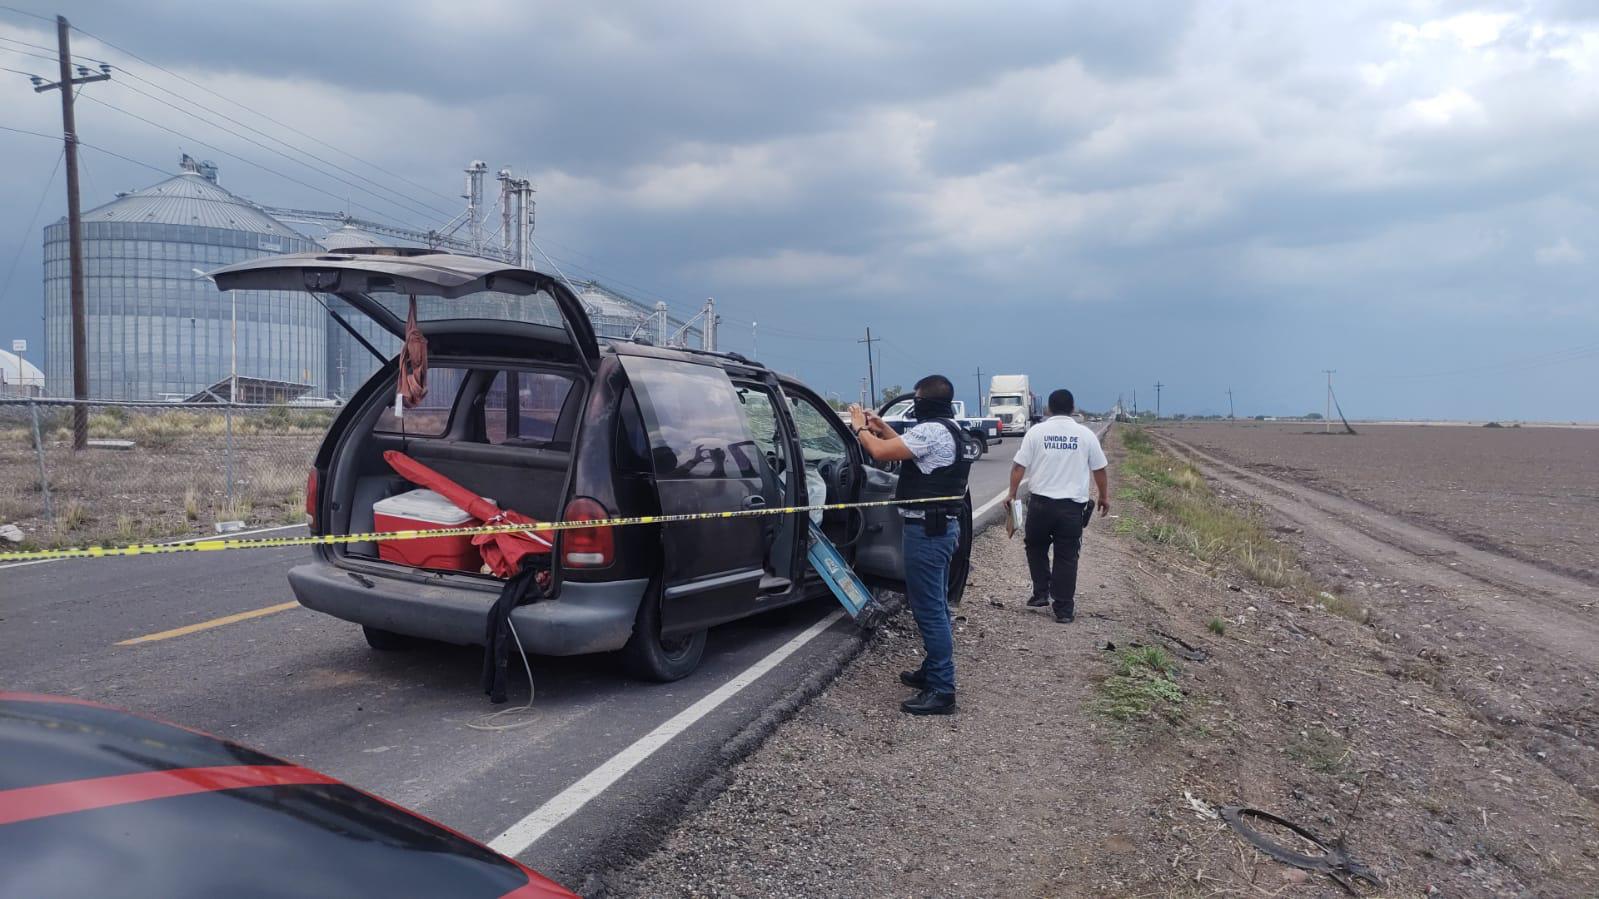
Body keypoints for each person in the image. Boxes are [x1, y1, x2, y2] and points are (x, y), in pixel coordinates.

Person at [849, 374, 972, 716]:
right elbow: (906, 448)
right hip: (941, 529)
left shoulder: (931, 431)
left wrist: (860, 427)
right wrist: (882, 426)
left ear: (925, 402)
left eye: (916, 400)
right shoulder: (950, 429)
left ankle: (942, 689)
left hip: (926, 532)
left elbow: (878, 451)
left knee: (929, 608)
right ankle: (932, 671)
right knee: (934, 606)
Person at [1007, 389, 1109, 623]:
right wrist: (1104, 496)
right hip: (1071, 509)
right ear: (1073, 408)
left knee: (1036, 547)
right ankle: (1063, 610)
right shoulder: (1085, 435)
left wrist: (1012, 494)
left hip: (1040, 506)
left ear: (1049, 409)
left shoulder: (1036, 432)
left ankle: (1041, 592)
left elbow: (1018, 467)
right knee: (1066, 556)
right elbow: (1099, 469)